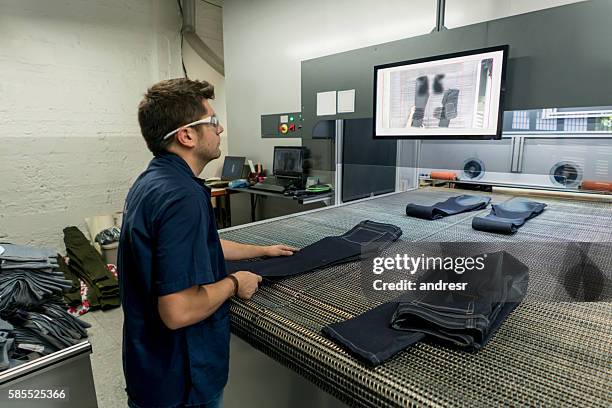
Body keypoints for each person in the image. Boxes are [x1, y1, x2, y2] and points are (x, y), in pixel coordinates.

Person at [118, 78, 297, 408]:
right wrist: (234, 282)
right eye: (213, 122)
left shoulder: (153, 181)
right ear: (187, 135)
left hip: (149, 368)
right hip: (180, 382)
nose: (221, 129)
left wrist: (261, 251)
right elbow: (178, 310)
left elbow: (197, 244)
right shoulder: (182, 196)